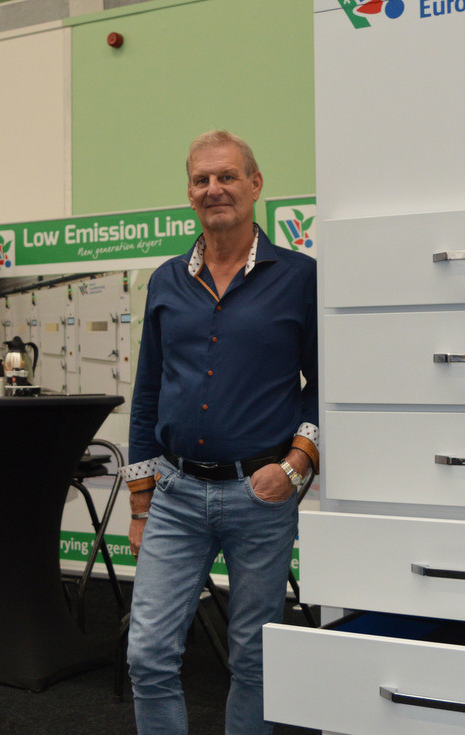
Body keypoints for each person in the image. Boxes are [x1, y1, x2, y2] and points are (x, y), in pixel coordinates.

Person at [123, 130, 319, 735]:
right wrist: (139, 502)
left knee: (254, 660)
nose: (215, 189)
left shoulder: (301, 277)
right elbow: (147, 392)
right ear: (189, 193)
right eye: (202, 179)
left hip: (260, 495)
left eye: (227, 176)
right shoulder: (166, 280)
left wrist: (296, 465)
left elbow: (328, 385)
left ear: (255, 185)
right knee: (146, 655)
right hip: (175, 494)